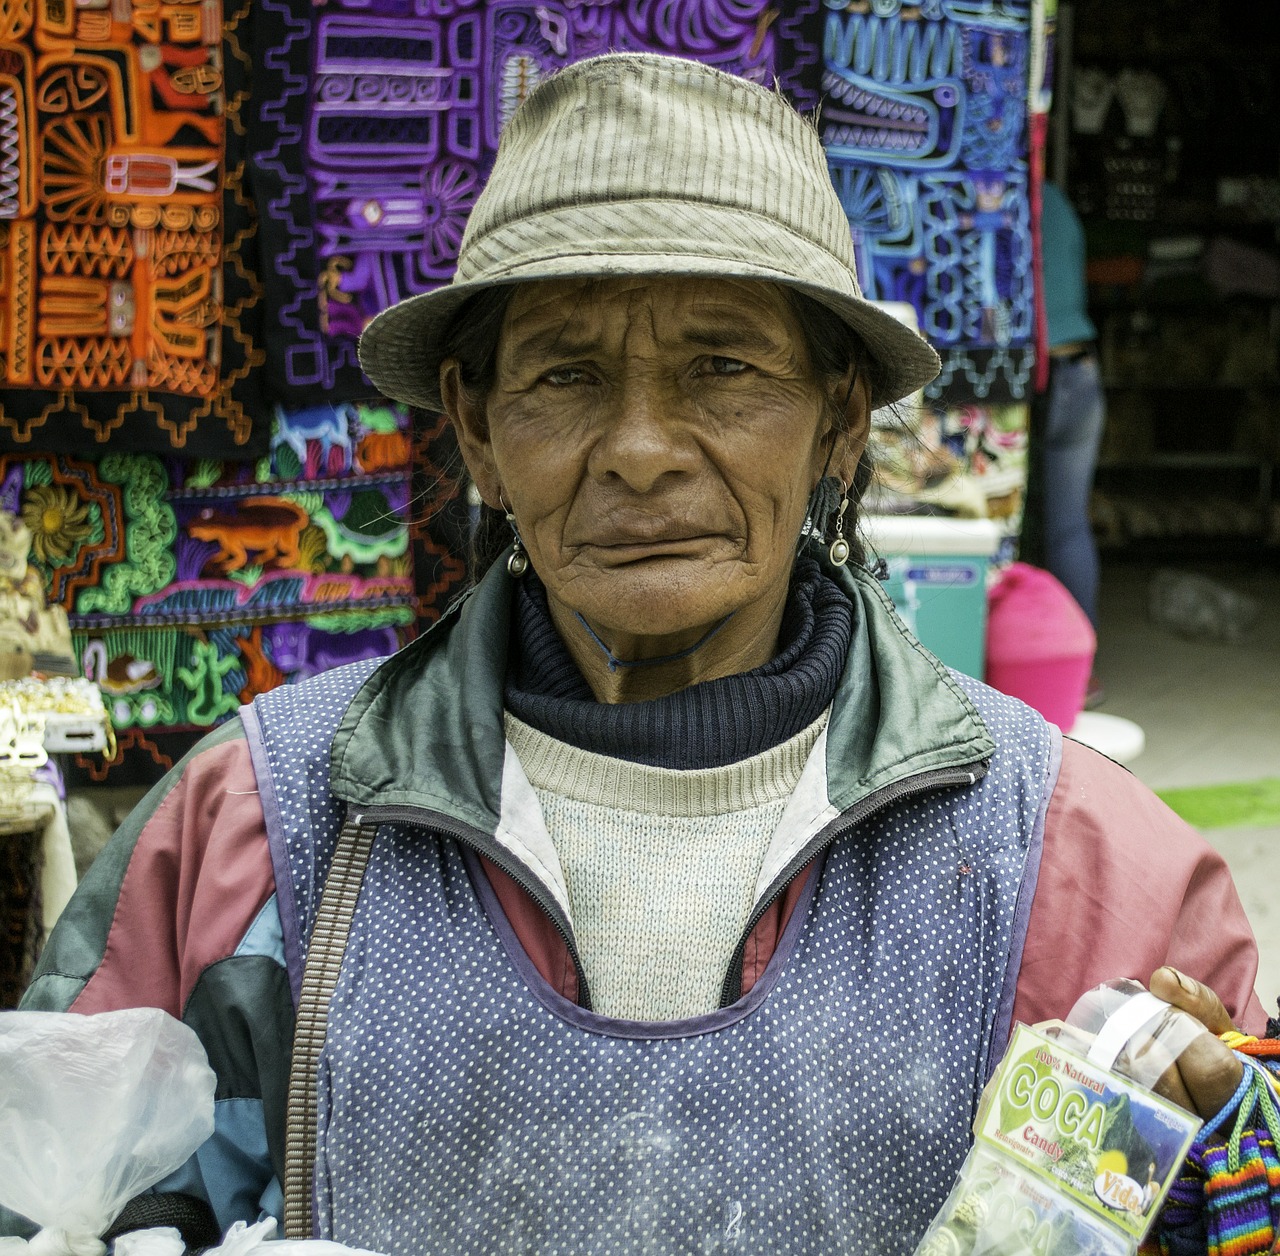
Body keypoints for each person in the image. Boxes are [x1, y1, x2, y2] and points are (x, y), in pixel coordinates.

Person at [5, 54, 1267, 1254]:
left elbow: (1228, 1183)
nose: (641, 447)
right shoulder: (257, 834)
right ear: (478, 430)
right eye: (564, 373)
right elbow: (59, 1188)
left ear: (835, 421)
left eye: (722, 366)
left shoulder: (1078, 873)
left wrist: (1220, 1173)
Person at [1038, 181, 1107, 634]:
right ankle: (1081, 669)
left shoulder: (1005, 195)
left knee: (1008, 521)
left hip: (1036, 376)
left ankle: (1023, 662)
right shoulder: (1057, 201)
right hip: (1082, 371)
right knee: (1069, 526)